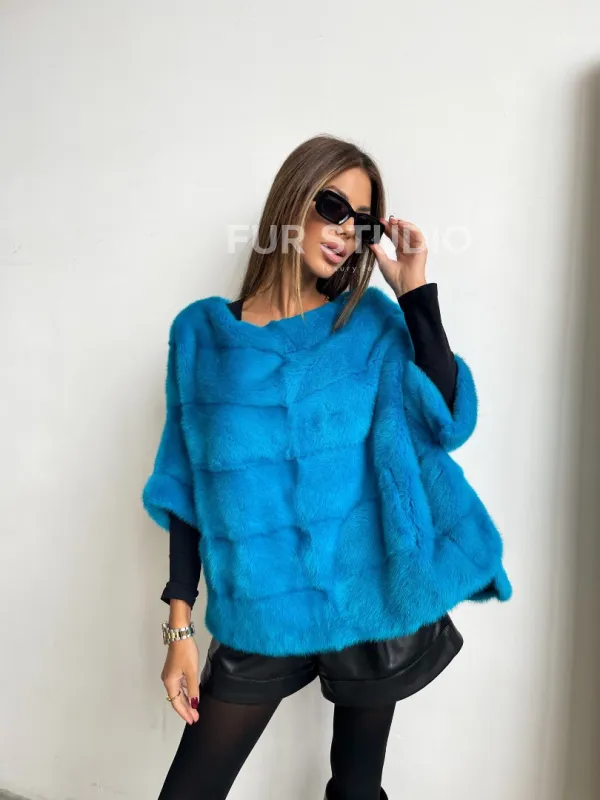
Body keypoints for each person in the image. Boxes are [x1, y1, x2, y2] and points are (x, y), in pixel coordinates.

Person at [142, 134, 512, 800]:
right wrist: (180, 627)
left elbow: (447, 422)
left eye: (361, 221)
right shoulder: (201, 336)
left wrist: (415, 293)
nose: (345, 231)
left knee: (356, 791)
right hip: (262, 606)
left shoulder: (367, 322)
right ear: (293, 201)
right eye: (333, 207)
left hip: (369, 598)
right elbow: (183, 485)